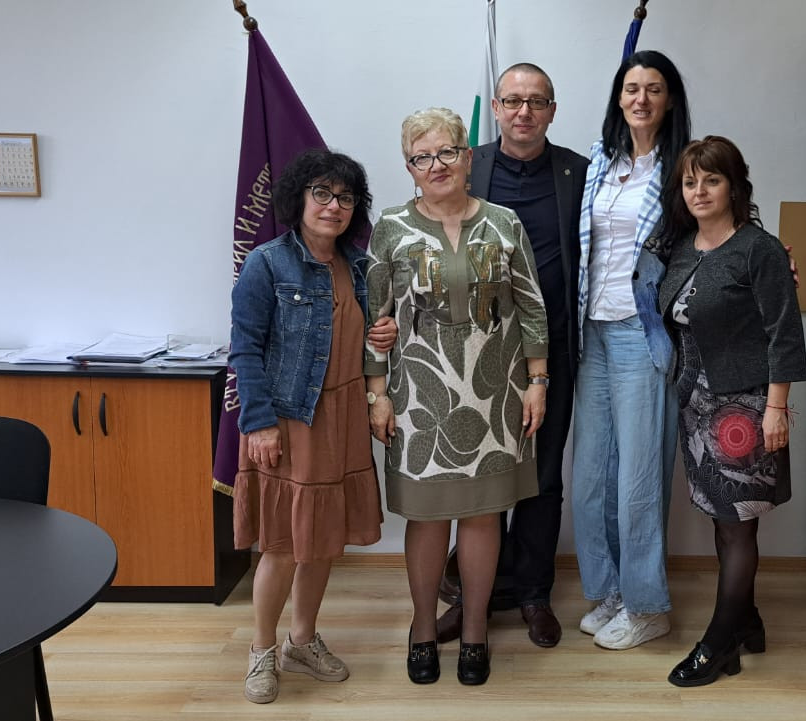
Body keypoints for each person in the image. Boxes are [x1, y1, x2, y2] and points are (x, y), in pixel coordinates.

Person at [365, 107, 550, 686]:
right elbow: (375, 318)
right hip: (420, 400)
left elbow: (532, 306)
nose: (437, 165)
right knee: (426, 518)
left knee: (482, 517)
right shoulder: (390, 227)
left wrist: (538, 382)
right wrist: (377, 392)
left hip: (495, 395)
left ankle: (474, 631)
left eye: (447, 152)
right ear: (409, 168)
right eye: (422, 157)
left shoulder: (504, 223)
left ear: (468, 158)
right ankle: (423, 628)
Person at [432, 63, 589, 649]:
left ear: (552, 111)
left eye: (537, 101)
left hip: (555, 350)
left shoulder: (578, 173)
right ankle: (475, 598)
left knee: (543, 478)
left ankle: (533, 593)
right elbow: (423, 230)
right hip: (480, 354)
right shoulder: (466, 165)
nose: (525, 112)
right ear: (495, 108)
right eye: (514, 101)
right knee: (484, 478)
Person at [228, 149, 386, 704]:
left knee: (320, 542)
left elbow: (364, 338)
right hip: (288, 419)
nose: (333, 206)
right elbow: (244, 349)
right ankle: (261, 650)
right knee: (281, 544)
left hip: (343, 419)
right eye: (322, 193)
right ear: (298, 199)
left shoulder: (360, 265)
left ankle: (302, 641)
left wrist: (381, 338)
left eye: (345, 198)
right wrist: (259, 424)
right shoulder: (267, 263)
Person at [655, 135, 806, 686]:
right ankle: (747, 621)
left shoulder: (758, 249)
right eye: (689, 182)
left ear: (735, 186)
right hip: (695, 404)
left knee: (738, 526)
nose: (699, 191)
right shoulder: (681, 247)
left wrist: (776, 408)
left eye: (712, 180)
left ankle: (718, 643)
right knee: (724, 521)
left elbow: (784, 333)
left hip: (744, 408)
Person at [571, 49, 691, 651]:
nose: (640, 99)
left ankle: (647, 607)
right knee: (591, 475)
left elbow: (718, 226)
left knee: (639, 476)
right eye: (631, 87)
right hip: (591, 329)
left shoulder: (681, 169)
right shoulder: (601, 160)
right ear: (619, 97)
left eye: (654, 89)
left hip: (642, 333)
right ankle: (611, 591)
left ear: (670, 101)